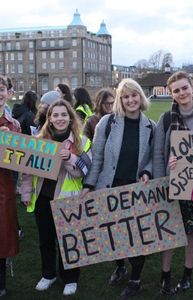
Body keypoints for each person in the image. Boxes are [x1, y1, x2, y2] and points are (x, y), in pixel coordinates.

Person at [81, 78, 155, 299]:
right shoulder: (107, 123)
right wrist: (89, 185)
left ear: (140, 97)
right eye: (125, 96)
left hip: (135, 190)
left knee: (137, 238)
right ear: (120, 100)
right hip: (109, 187)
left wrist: (147, 172)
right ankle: (120, 266)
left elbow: (152, 157)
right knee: (113, 235)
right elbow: (98, 158)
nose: (130, 100)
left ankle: (135, 279)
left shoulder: (151, 126)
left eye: (134, 95)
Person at [21, 100, 91, 296]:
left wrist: (69, 158)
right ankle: (48, 274)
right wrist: (26, 193)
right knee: (45, 239)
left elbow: (84, 171)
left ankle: (70, 278)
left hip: (68, 199)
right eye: (56, 115)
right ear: (49, 119)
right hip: (43, 198)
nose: (60, 118)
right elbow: (27, 171)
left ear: (70, 118)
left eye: (63, 115)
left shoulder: (82, 141)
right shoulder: (39, 140)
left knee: (69, 241)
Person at [153, 71, 193, 295]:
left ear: (192, 87)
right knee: (169, 230)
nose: (181, 93)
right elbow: (158, 152)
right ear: (171, 94)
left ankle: (187, 274)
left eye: (184, 88)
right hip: (173, 183)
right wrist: (162, 180)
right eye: (176, 90)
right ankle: (165, 275)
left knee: (192, 230)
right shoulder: (166, 119)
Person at [0, 75, 20, 297]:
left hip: (4, 187)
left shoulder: (13, 124)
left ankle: (1, 281)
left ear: (8, 93)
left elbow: (22, 159)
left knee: (3, 235)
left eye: (2, 88)